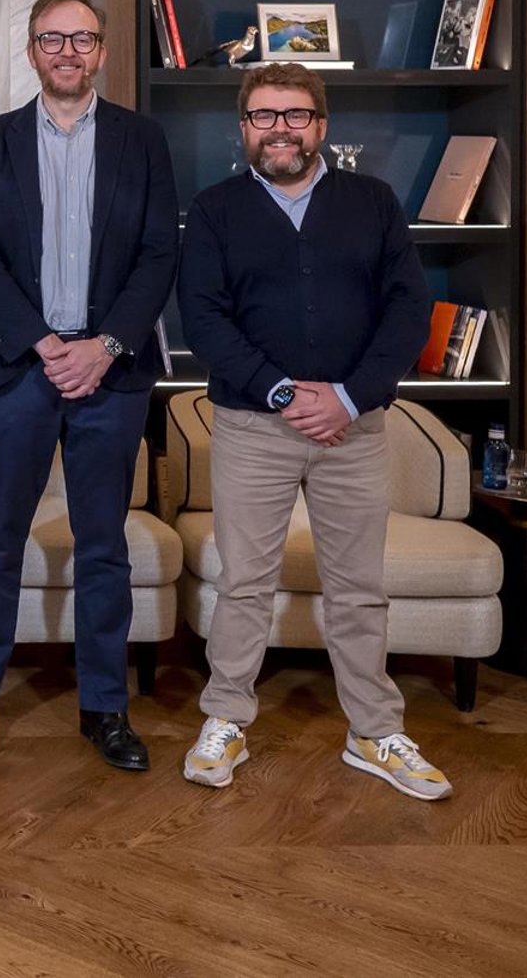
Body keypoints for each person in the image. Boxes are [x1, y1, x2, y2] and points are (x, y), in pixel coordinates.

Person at [178, 61, 450, 801]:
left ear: (321, 125)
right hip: (251, 425)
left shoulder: (373, 202)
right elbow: (203, 318)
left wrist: (349, 398)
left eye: (296, 115)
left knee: (359, 586)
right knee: (244, 582)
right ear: (244, 129)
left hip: (353, 429)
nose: (281, 130)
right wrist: (280, 391)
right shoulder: (214, 210)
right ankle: (225, 719)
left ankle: (374, 731)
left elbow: (408, 311)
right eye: (264, 116)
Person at [0, 0, 178, 768]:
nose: (68, 52)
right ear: (32, 51)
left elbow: (159, 255)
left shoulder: (142, 141)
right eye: (53, 39)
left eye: (82, 39)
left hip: (111, 374)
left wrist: (105, 346)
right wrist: (46, 344)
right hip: (21, 367)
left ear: (102, 51)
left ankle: (105, 709)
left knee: (103, 543)